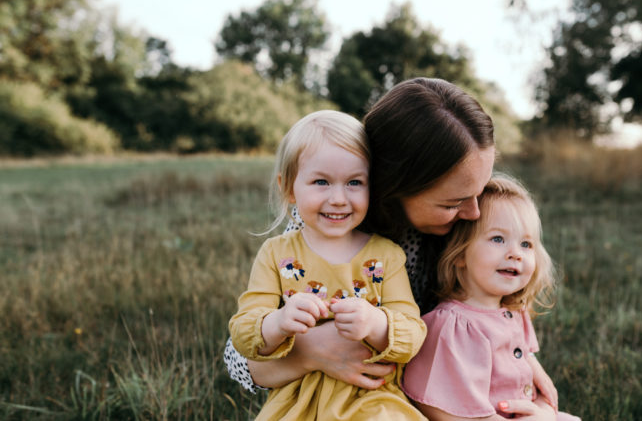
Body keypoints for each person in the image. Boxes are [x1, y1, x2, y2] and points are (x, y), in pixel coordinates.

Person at [225, 78, 555, 404]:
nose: (473, 212)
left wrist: (522, 358)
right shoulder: (330, 225)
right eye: (452, 202)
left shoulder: (468, 222)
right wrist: (311, 352)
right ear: (393, 187)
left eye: (478, 192)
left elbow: (493, 301)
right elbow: (240, 359)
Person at [229, 109, 427, 420]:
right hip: (297, 399)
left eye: (354, 182)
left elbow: (413, 334)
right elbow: (243, 331)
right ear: (288, 188)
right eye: (321, 181)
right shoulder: (275, 253)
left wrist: (375, 323)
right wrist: (279, 322)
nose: (338, 198)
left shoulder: (386, 255)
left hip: (372, 399)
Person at [402, 174, 580, 420]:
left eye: (526, 244)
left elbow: (542, 387)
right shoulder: (452, 326)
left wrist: (545, 412)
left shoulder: (513, 312)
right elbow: (441, 409)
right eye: (498, 239)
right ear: (460, 254)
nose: (515, 254)